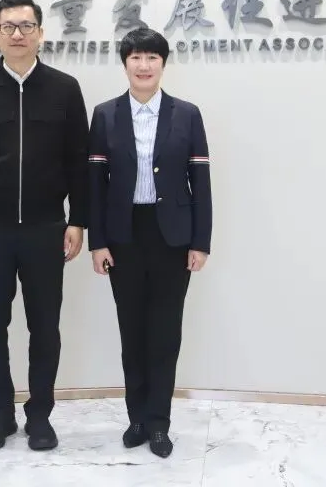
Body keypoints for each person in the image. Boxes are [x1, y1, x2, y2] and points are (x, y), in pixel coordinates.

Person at [0, 0, 89, 452]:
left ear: (41, 33)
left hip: (47, 228)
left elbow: (79, 161)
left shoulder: (65, 89)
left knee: (45, 328)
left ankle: (40, 416)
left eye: (27, 26)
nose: (18, 34)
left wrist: (78, 219)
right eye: (8, 26)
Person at [86, 27, 212, 459]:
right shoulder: (105, 115)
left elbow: (201, 182)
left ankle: (159, 422)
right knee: (132, 330)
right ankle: (136, 418)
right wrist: (98, 242)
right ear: (125, 64)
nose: (144, 66)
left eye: (152, 58)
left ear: (163, 64)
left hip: (172, 238)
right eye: (136, 58)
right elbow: (95, 185)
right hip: (123, 237)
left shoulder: (187, 114)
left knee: (165, 332)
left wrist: (200, 242)